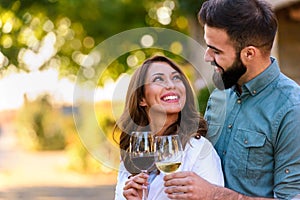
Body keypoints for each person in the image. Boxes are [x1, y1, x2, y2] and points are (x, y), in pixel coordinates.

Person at [163, 0, 300, 199]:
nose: (207, 57)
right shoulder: (220, 94)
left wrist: (214, 194)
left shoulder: (292, 110)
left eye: (216, 51)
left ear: (249, 54)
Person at [113, 55, 224, 200]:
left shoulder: (198, 150)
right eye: (158, 79)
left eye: (176, 78)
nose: (171, 85)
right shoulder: (134, 151)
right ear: (141, 99)